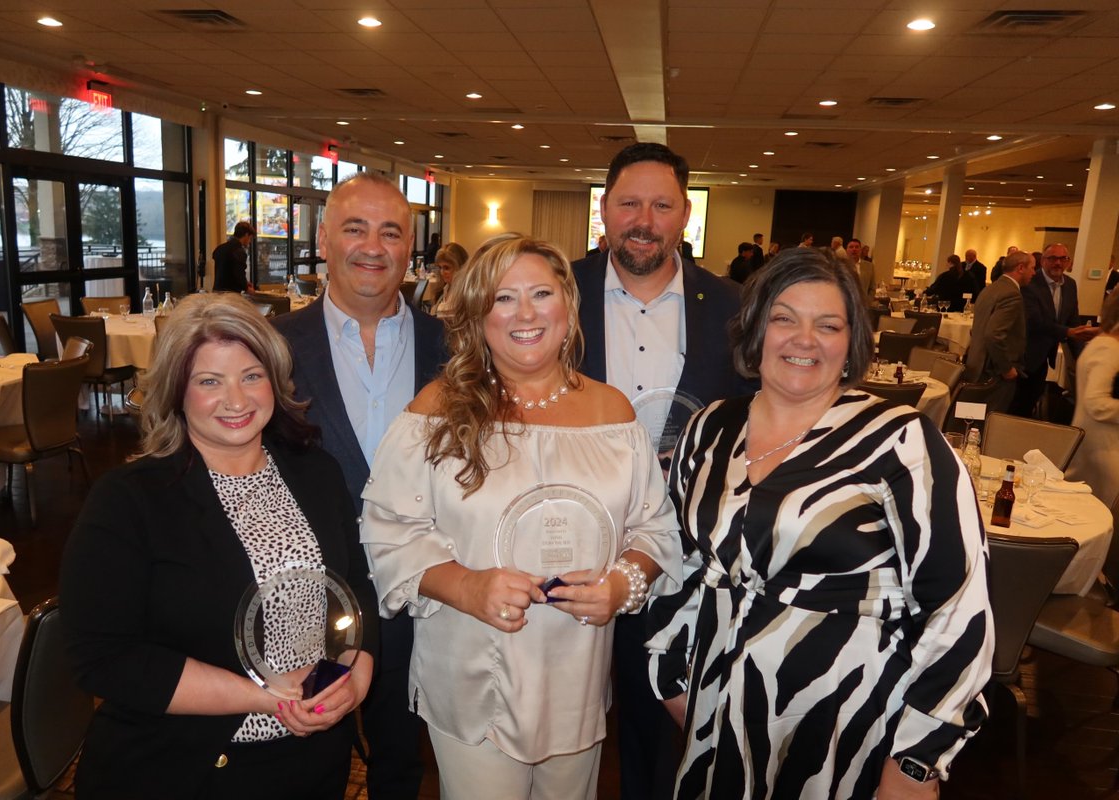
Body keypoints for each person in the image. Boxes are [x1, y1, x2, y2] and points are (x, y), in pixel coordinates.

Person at [647, 247, 993, 799]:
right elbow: (679, 561)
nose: (804, 340)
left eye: (828, 325)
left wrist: (917, 761)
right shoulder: (710, 428)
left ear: (851, 342)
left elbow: (959, 608)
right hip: (715, 711)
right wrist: (670, 677)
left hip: (846, 721)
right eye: (784, 318)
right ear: (756, 328)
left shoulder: (901, 441)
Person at [361, 233, 683, 799]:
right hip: (471, 676)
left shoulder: (612, 411)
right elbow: (389, 531)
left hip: (577, 676)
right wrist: (467, 587)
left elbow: (653, 528)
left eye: (541, 294)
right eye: (503, 298)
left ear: (568, 306)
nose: (526, 314)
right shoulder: (436, 409)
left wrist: (622, 585)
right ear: (478, 314)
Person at [60, 293, 378, 799]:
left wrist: (354, 679)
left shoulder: (316, 472)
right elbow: (101, 656)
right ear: (176, 392)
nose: (237, 400)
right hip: (180, 768)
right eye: (209, 381)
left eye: (252, 375)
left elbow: (356, 589)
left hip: (311, 762)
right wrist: (263, 697)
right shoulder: (129, 499)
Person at [571, 141, 749, 800]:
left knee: (656, 717)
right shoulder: (555, 294)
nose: (643, 221)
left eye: (662, 206)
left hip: (685, 552)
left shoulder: (734, 308)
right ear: (604, 210)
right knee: (561, 716)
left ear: (684, 217)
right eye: (629, 203)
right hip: (570, 541)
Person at [273, 173, 445, 799]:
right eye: (355, 228)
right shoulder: (272, 348)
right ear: (323, 240)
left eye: (390, 232)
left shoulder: (454, 349)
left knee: (402, 757)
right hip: (304, 596)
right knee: (306, 758)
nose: (373, 246)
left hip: (418, 593)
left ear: (409, 248)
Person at [1012, 242, 1099, 418]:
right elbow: (1035, 321)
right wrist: (1068, 332)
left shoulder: (1070, 285)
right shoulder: (1030, 282)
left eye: (1062, 258)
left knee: (1031, 401)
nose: (1058, 263)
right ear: (1043, 261)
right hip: (1023, 355)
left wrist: (1082, 359)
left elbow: (1073, 320)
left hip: (1044, 356)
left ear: (1068, 261)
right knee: (1016, 404)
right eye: (1052, 258)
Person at [965, 249, 1035, 414]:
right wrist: (1006, 368)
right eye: (1032, 268)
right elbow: (994, 335)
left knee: (972, 417)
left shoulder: (990, 289)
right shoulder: (1011, 294)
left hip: (976, 365)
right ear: (1020, 268)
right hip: (993, 371)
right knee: (990, 419)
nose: (1034, 273)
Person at [1066, 292, 1119, 508]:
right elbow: (1097, 404)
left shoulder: (1103, 344)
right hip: (1105, 448)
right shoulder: (1109, 349)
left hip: (1097, 442)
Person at [212, 221, 254, 293]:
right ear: (246, 235)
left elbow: (227, 271)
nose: (249, 241)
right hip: (230, 294)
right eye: (250, 238)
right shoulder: (239, 251)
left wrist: (245, 282)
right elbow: (239, 274)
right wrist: (247, 288)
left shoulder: (220, 248)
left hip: (216, 291)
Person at [431, 241, 470, 317]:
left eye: (446, 268)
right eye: (440, 267)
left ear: (461, 267)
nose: (442, 272)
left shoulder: (468, 294)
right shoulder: (443, 291)